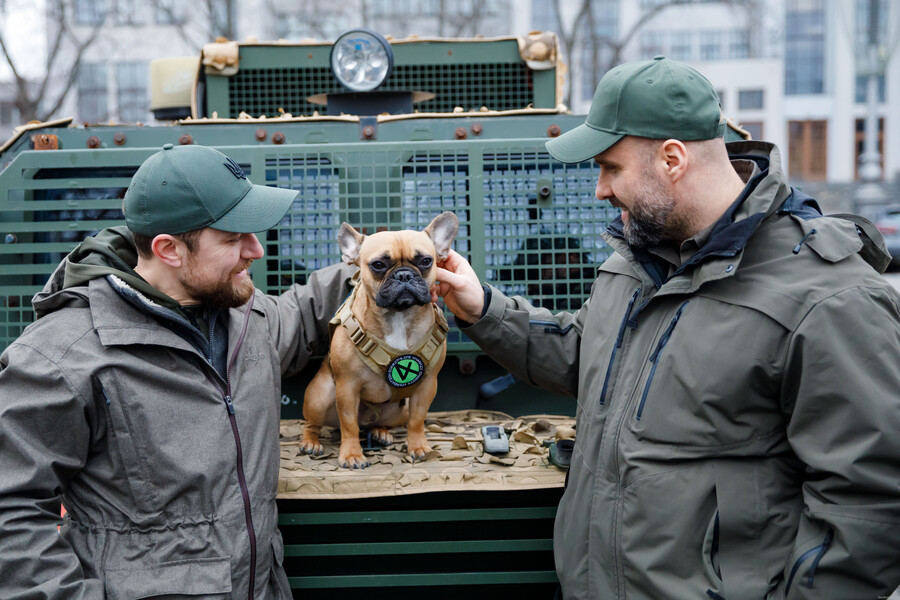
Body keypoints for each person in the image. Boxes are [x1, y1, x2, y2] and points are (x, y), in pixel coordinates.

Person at [432, 56, 900, 599]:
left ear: (672, 159)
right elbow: (588, 355)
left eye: (610, 167)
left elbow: (871, 506)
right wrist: (482, 306)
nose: (600, 190)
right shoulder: (640, 261)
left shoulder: (827, 297)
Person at [0, 144, 353, 598]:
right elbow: (11, 515)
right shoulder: (63, 358)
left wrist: (391, 266)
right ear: (169, 250)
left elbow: (302, 311)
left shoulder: (246, 319)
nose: (257, 250)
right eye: (233, 239)